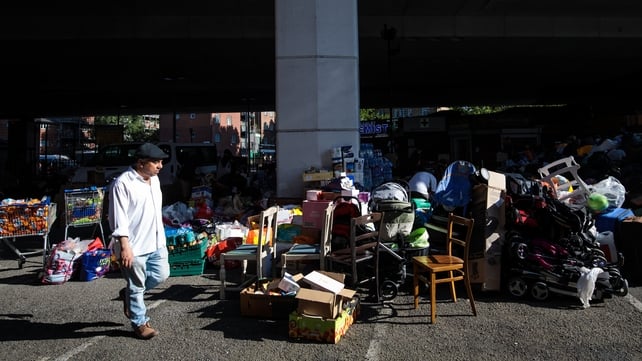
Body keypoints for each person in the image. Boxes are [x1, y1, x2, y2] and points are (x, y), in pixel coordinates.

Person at [109, 143, 170, 340]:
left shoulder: (155, 180)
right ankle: (140, 323)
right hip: (134, 245)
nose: (160, 166)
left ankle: (128, 296)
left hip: (156, 240)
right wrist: (124, 246)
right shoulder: (122, 183)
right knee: (136, 285)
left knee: (162, 274)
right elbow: (118, 219)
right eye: (156, 162)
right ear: (141, 163)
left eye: (161, 161)